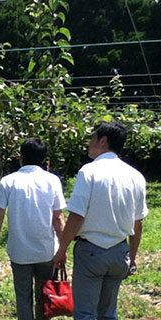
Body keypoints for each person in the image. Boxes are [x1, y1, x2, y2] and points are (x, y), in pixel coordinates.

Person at [53, 122, 149, 320]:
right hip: (119, 252)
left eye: (92, 138)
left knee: (86, 313)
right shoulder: (136, 176)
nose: (89, 143)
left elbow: (76, 216)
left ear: (103, 141)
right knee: (108, 312)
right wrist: (131, 258)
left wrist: (61, 250)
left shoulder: (89, 172)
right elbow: (138, 223)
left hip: (91, 252)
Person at [0, 137, 66, 320]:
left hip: (20, 252)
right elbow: (58, 218)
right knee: (44, 297)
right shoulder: (52, 180)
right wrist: (63, 248)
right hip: (46, 250)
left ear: (20, 157)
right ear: (45, 160)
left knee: (23, 298)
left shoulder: (8, 181)